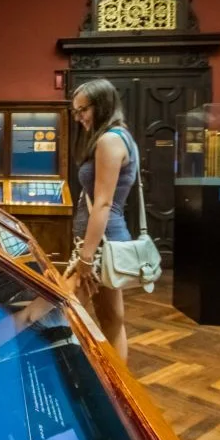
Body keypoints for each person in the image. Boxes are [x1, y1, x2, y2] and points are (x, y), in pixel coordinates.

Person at [68, 78, 138, 362]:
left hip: (99, 245)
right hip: (101, 242)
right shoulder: (119, 136)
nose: (79, 117)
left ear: (103, 105)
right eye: (75, 111)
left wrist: (86, 257)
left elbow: (103, 203)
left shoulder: (109, 140)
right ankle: (118, 383)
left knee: (64, 313)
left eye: (83, 109)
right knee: (111, 320)